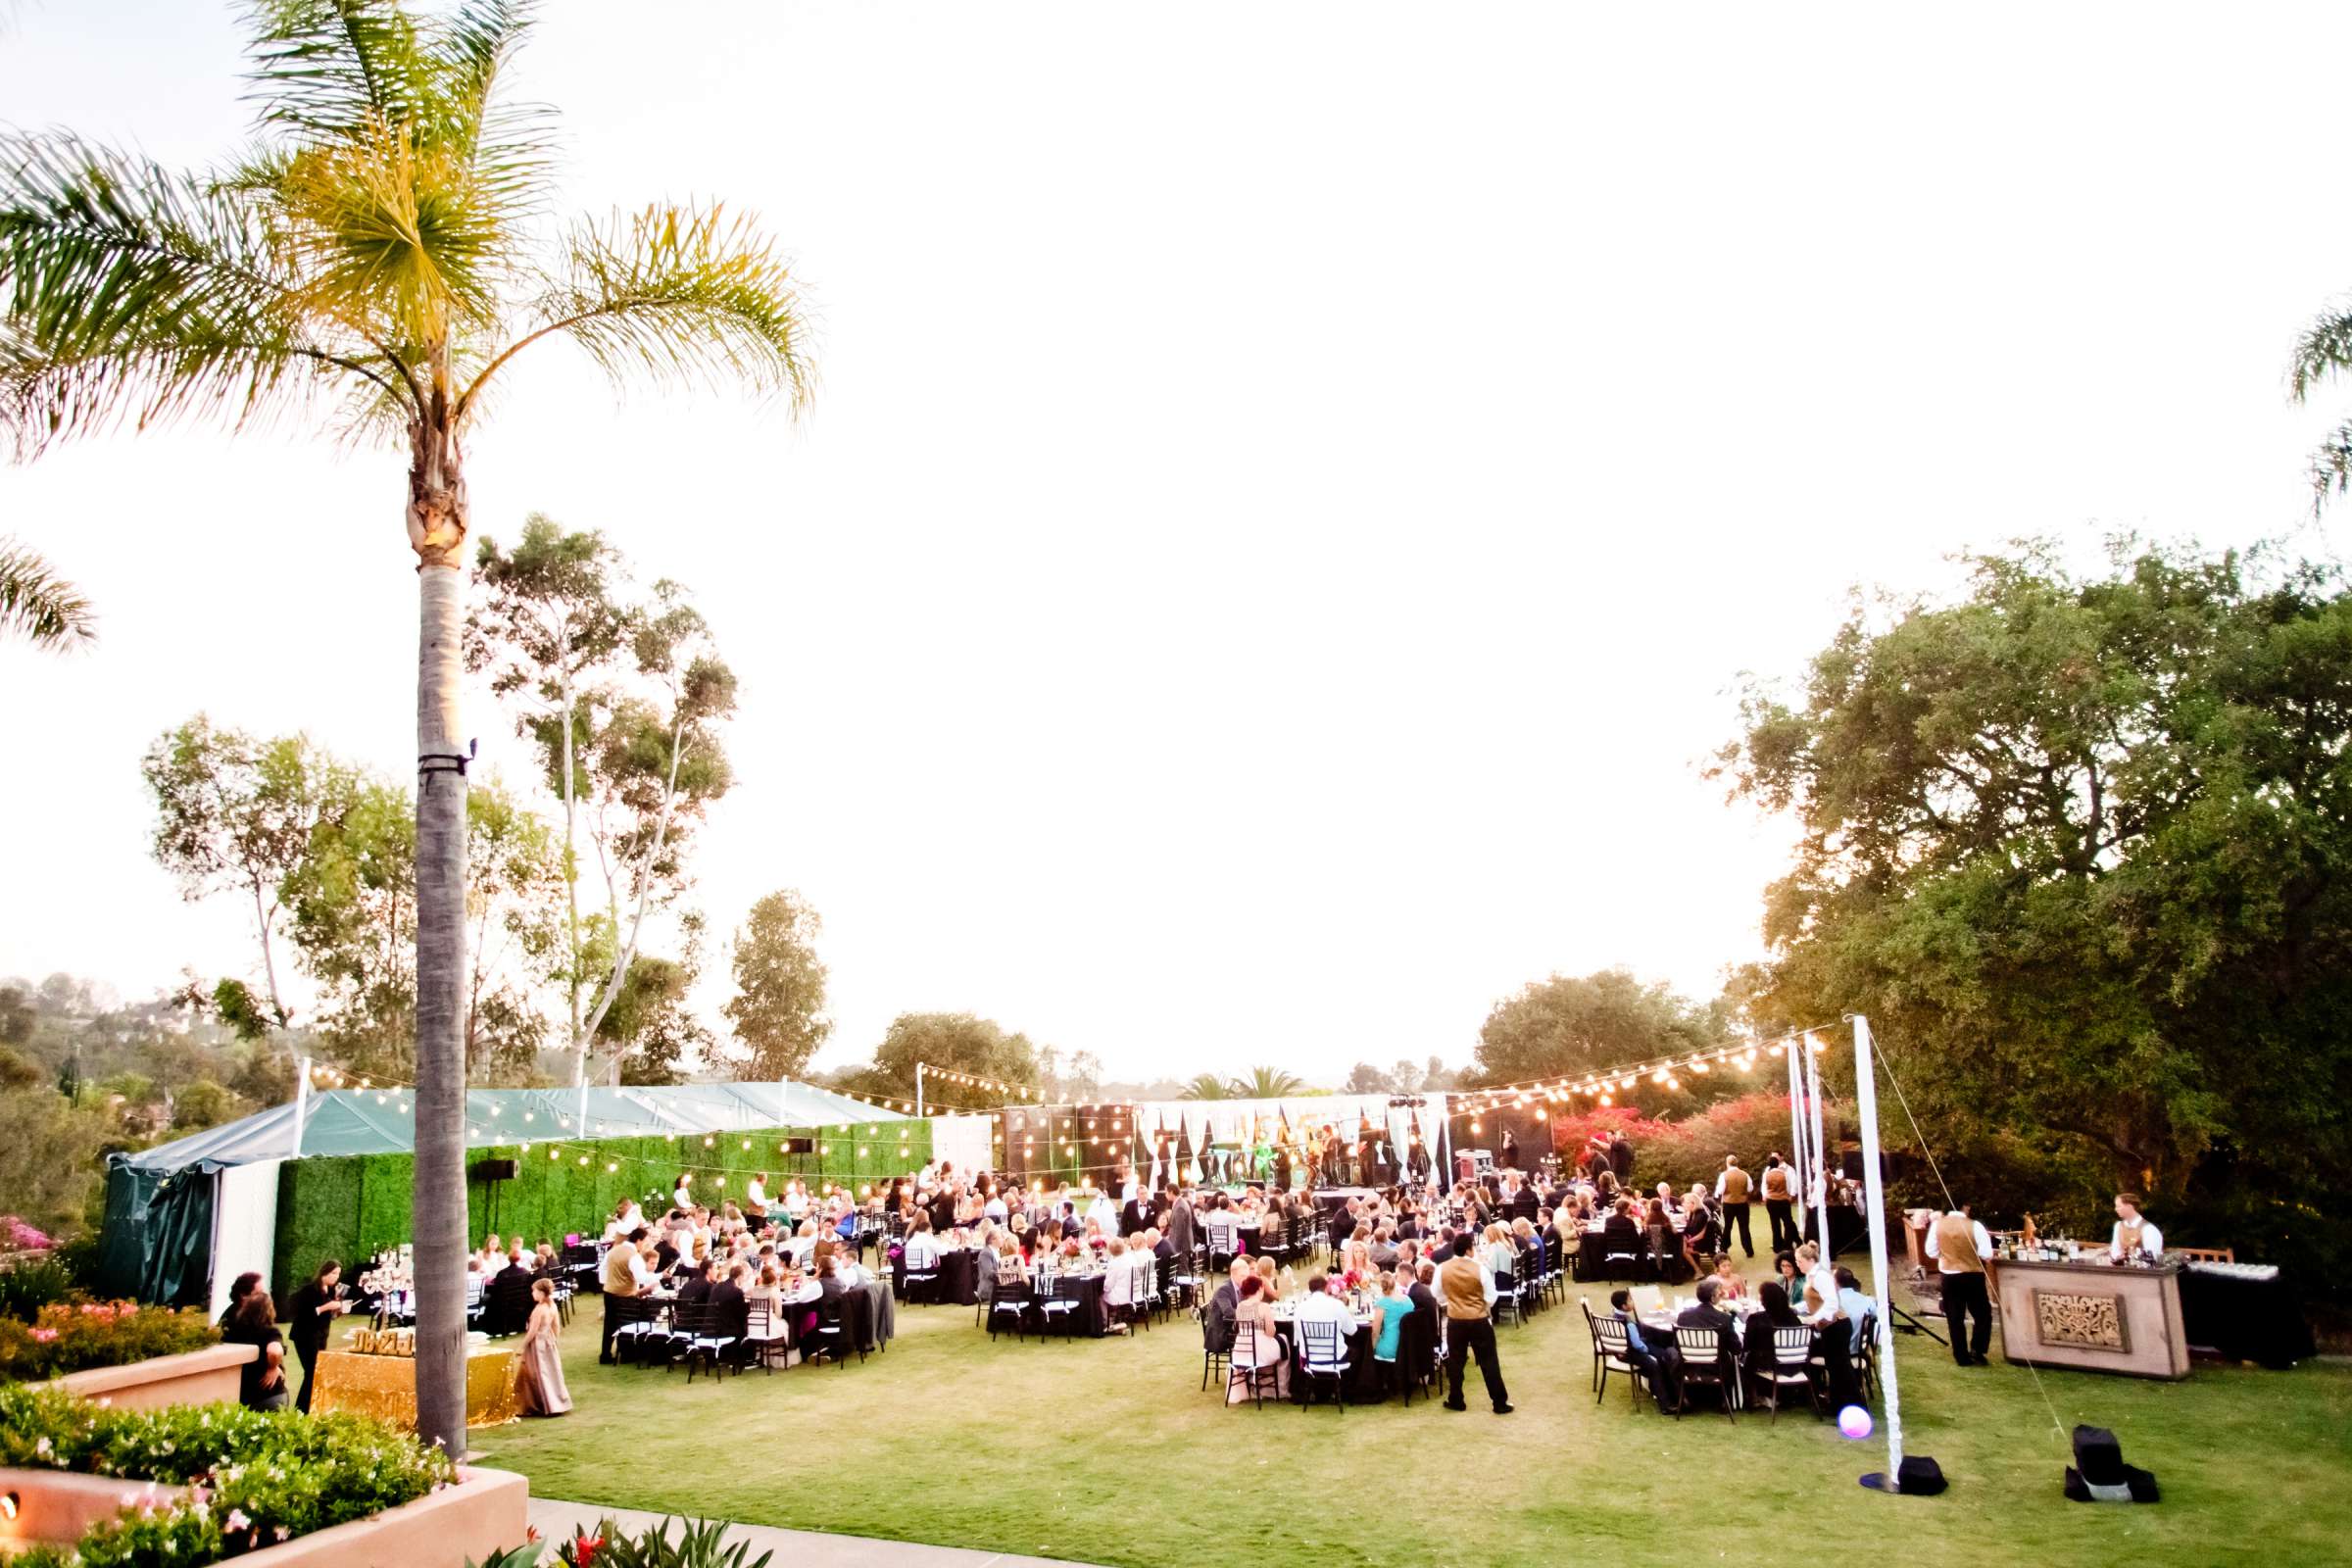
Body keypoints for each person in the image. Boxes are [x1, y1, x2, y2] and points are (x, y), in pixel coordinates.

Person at [1438, 1230, 1511, 1414]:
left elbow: (1437, 1295)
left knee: (1455, 1361)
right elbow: (1491, 1297)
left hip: (1455, 1319)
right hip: (1478, 1319)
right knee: (1489, 1361)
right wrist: (1481, 1305)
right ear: (1470, 1249)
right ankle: (1499, 1402)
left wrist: (1453, 1300)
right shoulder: (1480, 1269)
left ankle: (1456, 1399)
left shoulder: (1442, 1268)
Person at [1926, 1202, 1993, 1366]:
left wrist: (1947, 1255)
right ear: (1966, 1207)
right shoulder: (1975, 1226)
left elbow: (1931, 1252)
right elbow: (1986, 1254)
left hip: (1949, 1276)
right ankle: (1977, 1350)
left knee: (1955, 1317)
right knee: (1982, 1314)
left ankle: (1961, 1356)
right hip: (1973, 1276)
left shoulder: (1937, 1225)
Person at [286, 1259, 343, 1413]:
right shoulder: (310, 1290)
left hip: (320, 1336)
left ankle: (309, 1407)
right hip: (305, 1335)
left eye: (338, 1274)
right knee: (312, 1371)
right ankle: (302, 1410)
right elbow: (305, 1314)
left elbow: (328, 1317)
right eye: (333, 1273)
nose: (336, 1277)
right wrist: (326, 1307)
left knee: (315, 1372)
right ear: (324, 1272)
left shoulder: (330, 1291)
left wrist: (337, 1311)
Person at [1674, 1277, 1740, 1406]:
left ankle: (1683, 1396)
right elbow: (1736, 1349)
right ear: (1713, 1297)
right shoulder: (1724, 1318)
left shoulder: (1683, 1316)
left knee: (1670, 1353)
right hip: (1717, 1367)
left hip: (1689, 1365)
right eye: (1718, 1293)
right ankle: (1725, 1399)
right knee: (1728, 1356)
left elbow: (1677, 1346)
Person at [1608, 1287, 1678, 1410]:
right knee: (1655, 1365)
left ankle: (1661, 1391)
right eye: (1630, 1300)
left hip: (1620, 1351)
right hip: (1631, 1352)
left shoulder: (1613, 1316)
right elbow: (1637, 1345)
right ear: (1624, 1306)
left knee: (1660, 1353)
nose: (1633, 1302)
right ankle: (1665, 1405)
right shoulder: (1628, 1323)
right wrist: (1646, 1349)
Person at [1741, 1279, 1807, 1403]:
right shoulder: (1794, 1319)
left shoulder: (1756, 1319)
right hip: (1794, 1363)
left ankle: (1753, 1396)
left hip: (1768, 1363)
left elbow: (1747, 1346)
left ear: (1764, 1300)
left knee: (1746, 1357)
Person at [1227, 1274, 1289, 1403]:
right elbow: (1270, 1333)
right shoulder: (1264, 1307)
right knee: (1284, 1342)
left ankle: (1258, 1385)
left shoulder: (1240, 1306)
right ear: (1260, 1288)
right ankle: (1280, 1388)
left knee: (1279, 1342)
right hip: (1259, 1351)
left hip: (1242, 1350)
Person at [223, 1290, 289, 1410]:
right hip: (269, 1393)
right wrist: (273, 1367)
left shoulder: (233, 1332)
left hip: (244, 1396)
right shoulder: (269, 1331)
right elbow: (275, 1351)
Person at [517, 1277, 572, 1416]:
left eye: (534, 1291)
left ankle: (544, 1404)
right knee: (552, 1371)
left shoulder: (539, 1309)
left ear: (541, 1292)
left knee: (538, 1373)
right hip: (549, 1340)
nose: (532, 1294)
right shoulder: (552, 1305)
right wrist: (554, 1339)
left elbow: (533, 1331)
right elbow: (556, 1326)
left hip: (538, 1343)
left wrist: (522, 1346)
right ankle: (557, 1402)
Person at [600, 1225, 648, 1364]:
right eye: (645, 1242)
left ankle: (605, 1355)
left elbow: (602, 1271)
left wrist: (608, 1282)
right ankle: (628, 1354)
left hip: (609, 1291)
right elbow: (641, 1278)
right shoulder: (634, 1256)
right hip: (625, 1294)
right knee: (627, 1322)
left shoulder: (613, 1251)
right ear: (639, 1240)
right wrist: (659, 1276)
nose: (645, 1245)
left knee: (609, 1324)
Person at [1371, 1270, 1415, 1396]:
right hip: (1407, 1345)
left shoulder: (1383, 1303)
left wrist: (1371, 1349)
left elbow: (1375, 1331)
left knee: (1370, 1345)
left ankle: (1377, 1383)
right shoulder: (1408, 1300)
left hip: (1391, 1348)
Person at [1714, 1155, 1755, 1258]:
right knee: (1744, 1227)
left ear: (1727, 1163)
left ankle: (1724, 1248)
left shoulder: (1724, 1175)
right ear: (1737, 1163)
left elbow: (1720, 1190)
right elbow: (1750, 1188)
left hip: (1729, 1204)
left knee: (1727, 1227)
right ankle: (1749, 1250)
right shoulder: (1745, 1174)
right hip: (1743, 1204)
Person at [1760, 1153, 1798, 1252]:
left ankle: (1777, 1246)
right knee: (1788, 1223)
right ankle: (1787, 1245)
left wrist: (1766, 1195)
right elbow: (1788, 1185)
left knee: (1775, 1224)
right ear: (1777, 1164)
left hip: (1771, 1201)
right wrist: (1790, 1196)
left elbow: (1764, 1186)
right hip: (1783, 1200)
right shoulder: (1783, 1174)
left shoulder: (1767, 1174)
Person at [2110, 1193, 2164, 1262]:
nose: (2116, 1209)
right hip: (2122, 1269)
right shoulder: (2119, 1226)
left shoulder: (2149, 1229)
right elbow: (2115, 1250)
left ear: (2129, 1207)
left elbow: (2153, 1256)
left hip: (2143, 1271)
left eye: (2119, 1206)